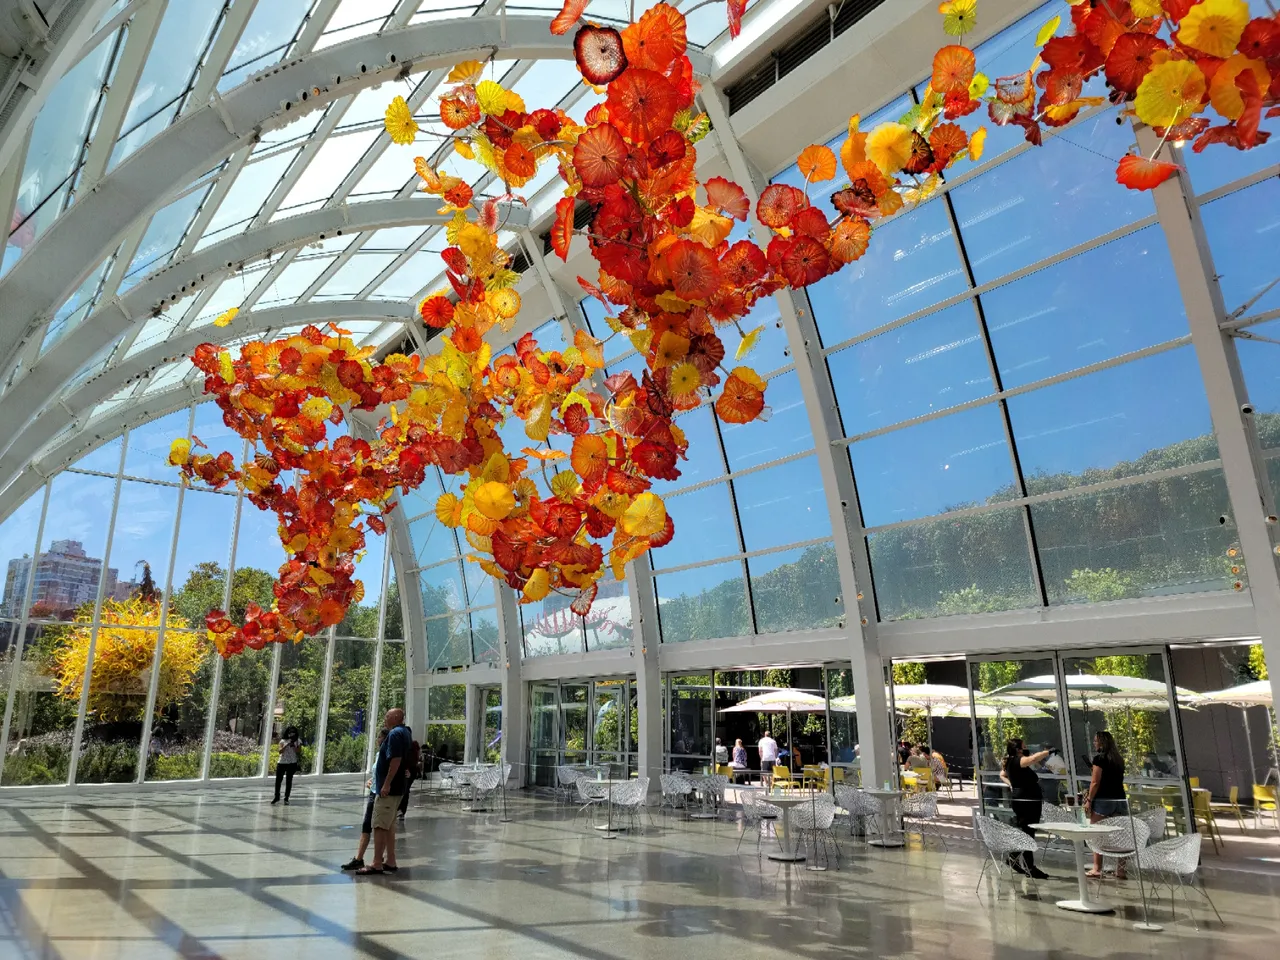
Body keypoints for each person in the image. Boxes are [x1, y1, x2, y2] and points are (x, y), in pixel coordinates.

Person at [356, 708, 411, 876]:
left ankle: (377, 862)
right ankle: (390, 860)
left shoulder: (395, 734)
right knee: (389, 826)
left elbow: (395, 760)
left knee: (379, 825)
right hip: (398, 788)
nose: (385, 719)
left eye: (387, 716)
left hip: (390, 790)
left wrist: (386, 783)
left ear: (396, 718)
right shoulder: (405, 732)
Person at [1000, 737, 1051, 879]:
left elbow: (1002, 775)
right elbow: (1033, 759)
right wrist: (1047, 752)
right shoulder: (1017, 761)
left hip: (1025, 800)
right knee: (1028, 832)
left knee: (1027, 831)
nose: (1027, 747)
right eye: (1024, 745)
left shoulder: (1010, 762)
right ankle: (1029, 866)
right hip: (1026, 801)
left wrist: (1012, 784)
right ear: (1018, 749)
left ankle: (1014, 857)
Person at [342, 729, 386, 871]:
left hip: (379, 794)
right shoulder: (380, 754)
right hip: (374, 791)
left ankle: (375, 858)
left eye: (379, 737)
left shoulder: (387, 754)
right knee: (367, 825)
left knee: (377, 826)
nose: (378, 739)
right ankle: (360, 858)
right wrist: (372, 780)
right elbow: (378, 772)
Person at [1085, 730, 1127, 879]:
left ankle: (1097, 868)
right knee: (1121, 835)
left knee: (1096, 834)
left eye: (1096, 741)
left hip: (1103, 800)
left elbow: (1095, 782)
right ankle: (1121, 870)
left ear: (1102, 742)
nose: (1095, 743)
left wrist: (1089, 799)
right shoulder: (1118, 759)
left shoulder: (1099, 759)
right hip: (1120, 799)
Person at [271, 726, 301, 805]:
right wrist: (286, 745)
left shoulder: (297, 741)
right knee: (278, 781)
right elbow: (280, 751)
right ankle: (276, 796)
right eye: (290, 733)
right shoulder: (282, 741)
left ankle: (286, 798)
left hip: (292, 763)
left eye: (293, 733)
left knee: (289, 781)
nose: (291, 735)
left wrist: (294, 745)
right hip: (282, 762)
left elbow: (298, 751)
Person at [397, 732, 421, 822]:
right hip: (408, 769)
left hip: (409, 769)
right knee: (404, 791)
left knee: (405, 791)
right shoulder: (409, 744)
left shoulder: (411, 745)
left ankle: (401, 811)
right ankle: (401, 811)